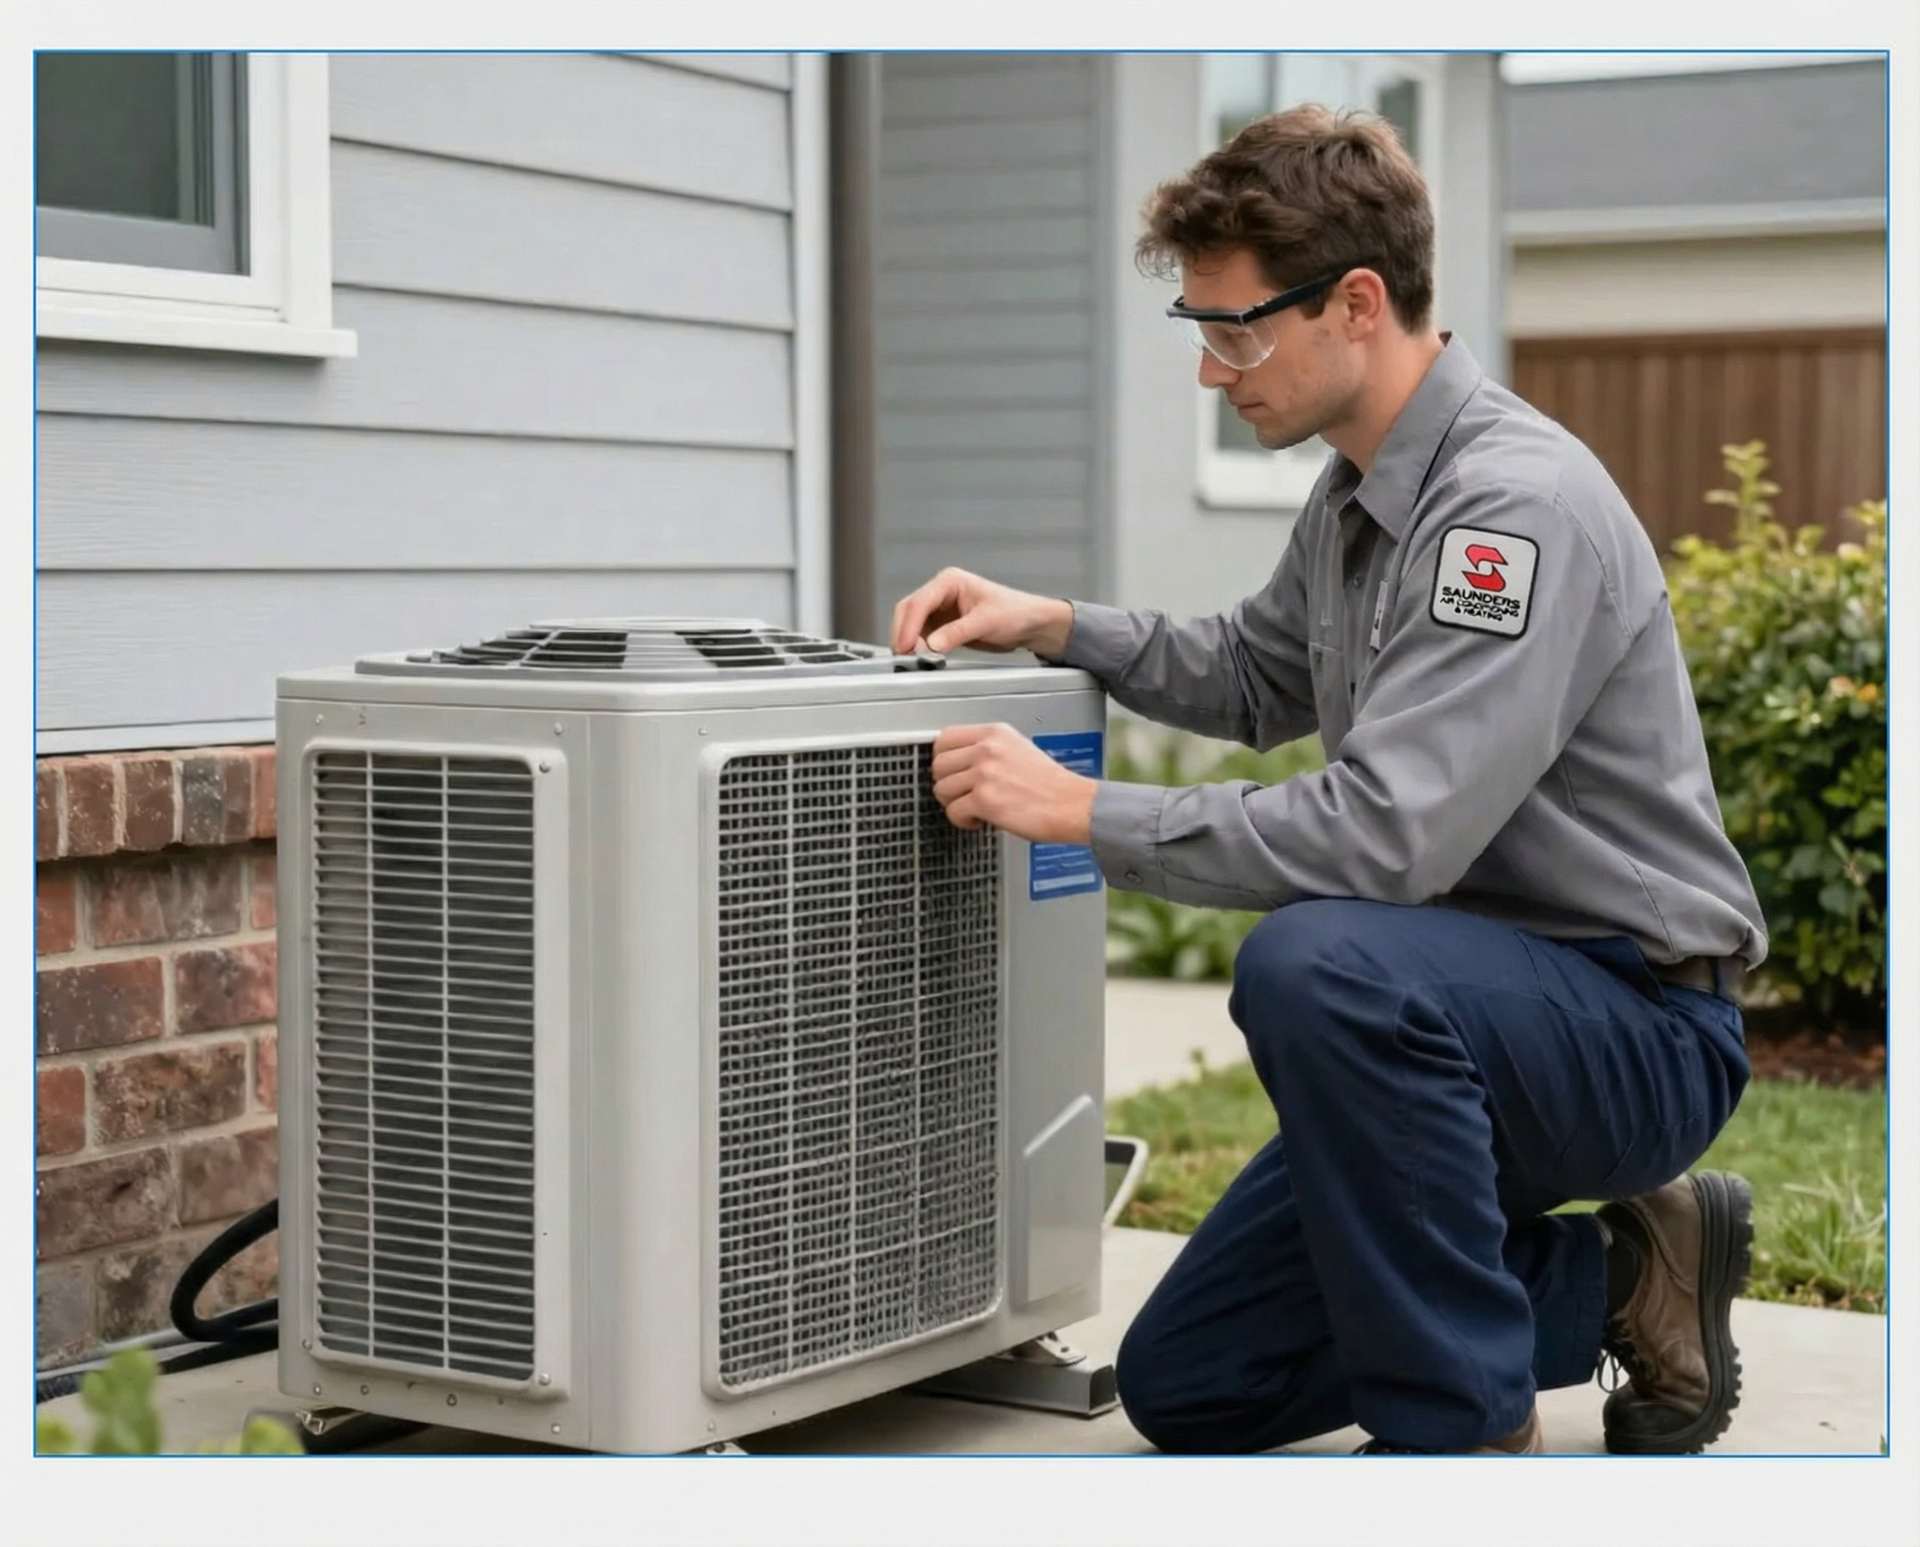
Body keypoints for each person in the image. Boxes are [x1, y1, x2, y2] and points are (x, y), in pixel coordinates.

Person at [892, 105, 1766, 1457]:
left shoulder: (1509, 510)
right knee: (1193, 1381)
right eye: (1200, 330)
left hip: (1628, 1021)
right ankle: (1630, 1272)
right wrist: (1056, 622)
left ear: (1357, 303)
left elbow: (1386, 837)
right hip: (1449, 1021)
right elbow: (1252, 675)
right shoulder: (1357, 493)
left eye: (1234, 330)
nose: (1212, 371)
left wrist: (1077, 812)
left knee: (1317, 963)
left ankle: (1458, 1429)